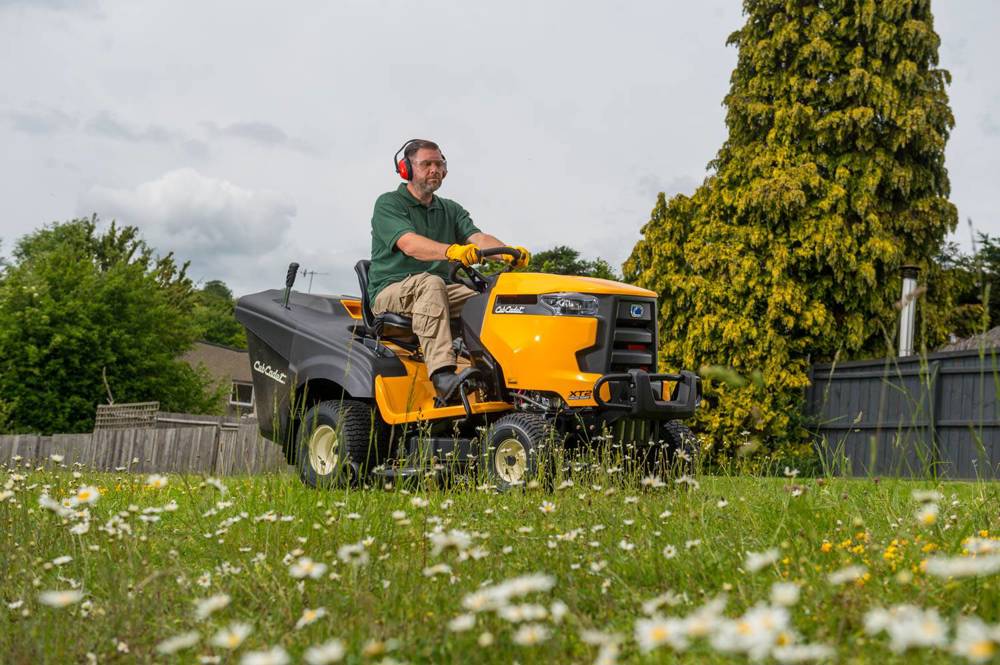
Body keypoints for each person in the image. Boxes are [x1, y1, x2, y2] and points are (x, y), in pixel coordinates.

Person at [368, 139, 529, 404]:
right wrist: (451, 251)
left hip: (439, 290)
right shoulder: (389, 204)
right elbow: (409, 244)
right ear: (406, 169)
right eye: (426, 164)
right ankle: (443, 377)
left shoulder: (450, 209)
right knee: (431, 283)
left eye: (439, 164)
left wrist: (508, 251)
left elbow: (477, 237)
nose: (434, 169)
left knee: (486, 301)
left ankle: (502, 374)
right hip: (391, 291)